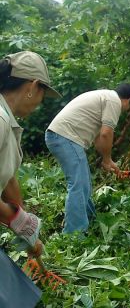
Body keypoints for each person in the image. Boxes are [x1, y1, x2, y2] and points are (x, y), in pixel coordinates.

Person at [0, 51, 61, 308]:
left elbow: (9, 179)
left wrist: (27, 229)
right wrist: (13, 218)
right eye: (42, 96)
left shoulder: (9, 121)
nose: (39, 103)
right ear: (32, 86)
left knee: (18, 292)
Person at [45, 83, 130, 234]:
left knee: (84, 183)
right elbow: (107, 134)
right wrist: (107, 159)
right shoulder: (114, 101)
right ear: (128, 100)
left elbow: (99, 140)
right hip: (66, 137)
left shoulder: (104, 96)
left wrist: (107, 160)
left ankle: (91, 221)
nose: (126, 110)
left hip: (63, 136)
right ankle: (74, 234)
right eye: (129, 107)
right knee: (78, 185)